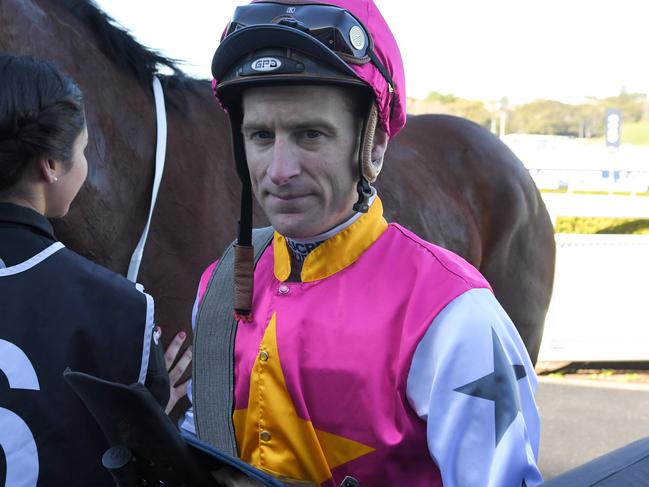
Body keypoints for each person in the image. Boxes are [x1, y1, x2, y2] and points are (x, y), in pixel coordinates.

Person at [182, 1, 543, 485]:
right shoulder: (217, 286)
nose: (279, 170)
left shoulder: (456, 317)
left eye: (310, 135)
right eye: (261, 136)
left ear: (372, 144)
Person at [0, 54, 175, 486]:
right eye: (83, 150)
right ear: (51, 165)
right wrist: (157, 418)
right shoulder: (123, 312)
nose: (85, 164)